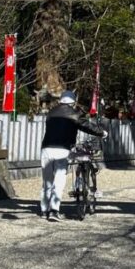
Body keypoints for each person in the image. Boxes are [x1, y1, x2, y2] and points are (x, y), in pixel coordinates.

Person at [39, 90, 105, 221]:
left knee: (47, 180)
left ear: (61, 100)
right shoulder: (75, 114)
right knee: (59, 179)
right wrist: (101, 133)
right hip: (62, 150)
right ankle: (53, 210)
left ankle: (44, 209)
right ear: (73, 102)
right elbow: (87, 126)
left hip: (46, 148)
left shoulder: (51, 113)